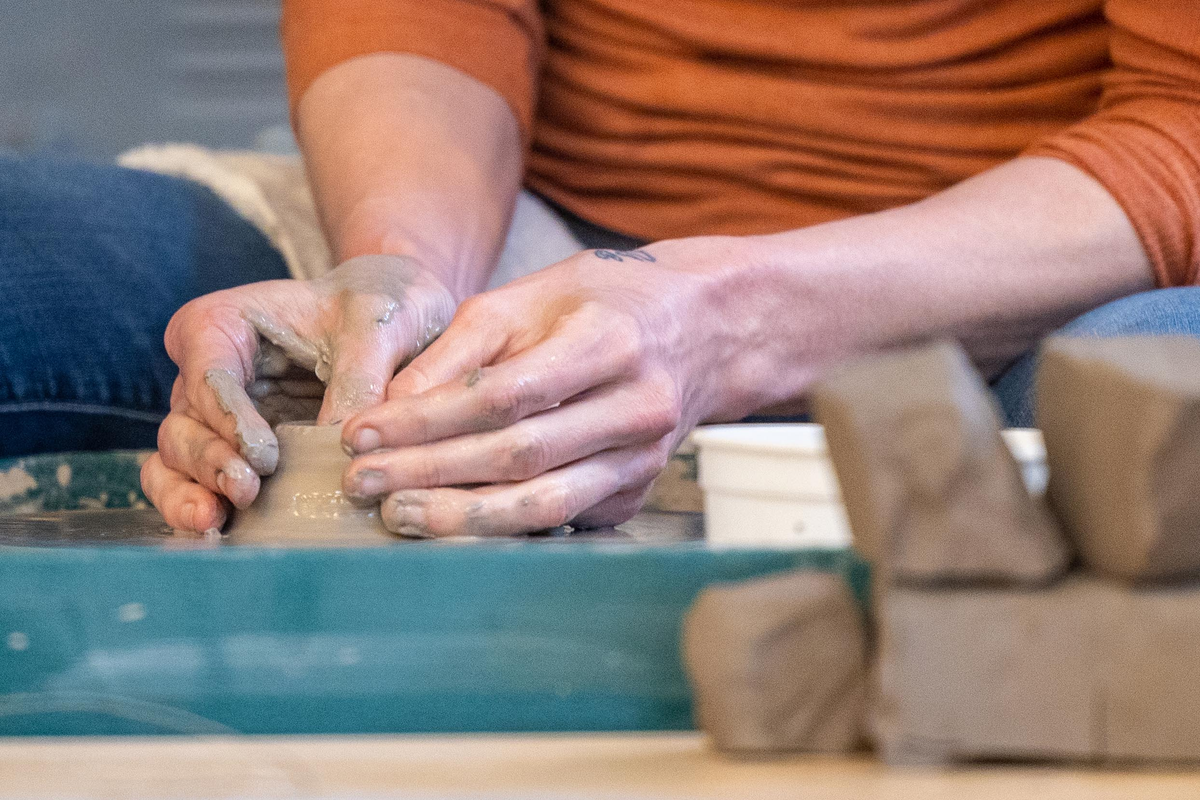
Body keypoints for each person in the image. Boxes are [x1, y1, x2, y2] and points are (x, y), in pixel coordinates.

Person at [21, 1, 1200, 537]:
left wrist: (723, 321)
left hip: (1023, 273)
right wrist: (402, 270)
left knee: (1159, 415)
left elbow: (1182, 119)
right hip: (535, 233)